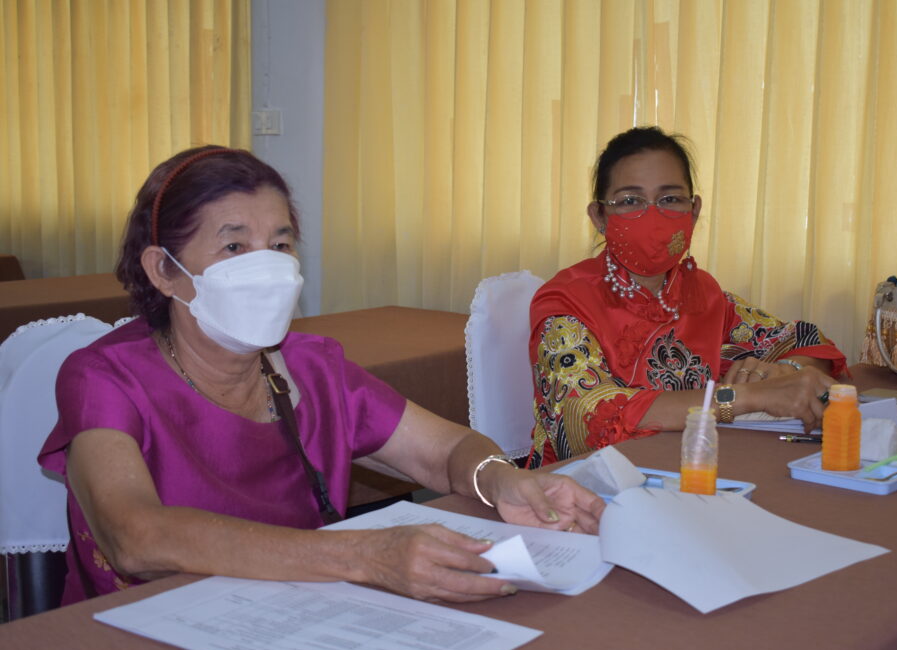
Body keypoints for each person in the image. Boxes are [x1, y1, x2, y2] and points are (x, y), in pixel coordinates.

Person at [39, 146, 603, 605]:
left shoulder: (312, 368)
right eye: (235, 245)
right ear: (164, 269)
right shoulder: (103, 377)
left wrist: (501, 481)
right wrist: (362, 557)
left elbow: (448, 450)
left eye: (280, 244)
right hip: (141, 628)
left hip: (294, 613)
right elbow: (135, 537)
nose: (266, 265)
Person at [527, 127, 847, 468]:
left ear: (693, 211)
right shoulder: (565, 301)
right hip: (586, 483)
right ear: (599, 217)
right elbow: (590, 417)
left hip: (690, 469)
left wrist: (786, 371)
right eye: (630, 201)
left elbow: (807, 342)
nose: (652, 216)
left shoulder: (700, 293)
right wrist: (744, 397)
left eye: (670, 199)